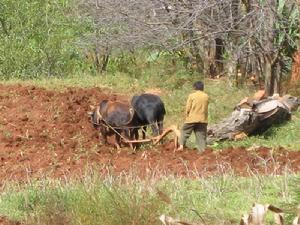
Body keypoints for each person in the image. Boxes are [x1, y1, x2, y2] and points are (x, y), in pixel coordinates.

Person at [177, 81, 209, 151]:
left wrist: (186, 116)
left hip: (192, 118)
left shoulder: (192, 96)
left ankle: (181, 146)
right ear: (203, 88)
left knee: (184, 131)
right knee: (201, 136)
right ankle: (202, 150)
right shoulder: (206, 96)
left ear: (194, 87)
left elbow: (188, 108)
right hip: (203, 119)